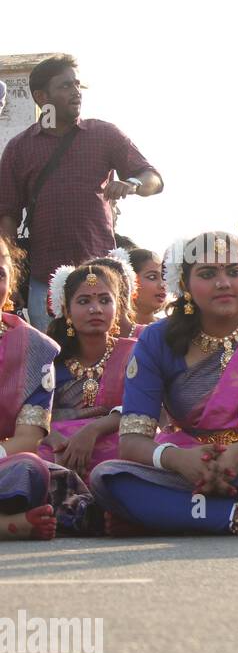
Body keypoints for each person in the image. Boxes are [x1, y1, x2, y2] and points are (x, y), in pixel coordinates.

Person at [90, 230, 238, 535]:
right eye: (208, 274)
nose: (224, 283)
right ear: (185, 284)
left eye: (234, 272)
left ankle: (172, 515)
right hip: (185, 466)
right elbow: (131, 442)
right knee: (109, 477)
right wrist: (178, 460)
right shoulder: (156, 339)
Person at [0, 54, 163, 332]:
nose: (76, 92)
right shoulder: (18, 148)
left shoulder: (104, 134)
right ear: (41, 97)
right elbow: (7, 218)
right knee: (52, 361)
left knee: (110, 357)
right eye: (65, 86)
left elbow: (154, 179)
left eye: (77, 85)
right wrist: (10, 279)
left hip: (103, 276)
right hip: (45, 280)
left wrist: (133, 184)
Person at [38, 260, 137, 481]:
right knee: (35, 463)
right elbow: (33, 414)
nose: (96, 309)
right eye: (84, 301)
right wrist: (56, 441)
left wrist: (92, 431)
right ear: (67, 311)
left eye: (104, 300)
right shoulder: (50, 358)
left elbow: (142, 407)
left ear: (118, 307)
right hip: (60, 447)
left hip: (117, 440)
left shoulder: (134, 353)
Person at [0, 234, 60, 540]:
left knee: (29, 469)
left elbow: (26, 440)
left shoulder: (36, 348)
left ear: (11, 284)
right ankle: (7, 525)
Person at [129, 247, 168, 327]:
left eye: (164, 277)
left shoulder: (171, 330)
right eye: (152, 277)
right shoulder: (110, 329)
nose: (163, 285)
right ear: (129, 280)